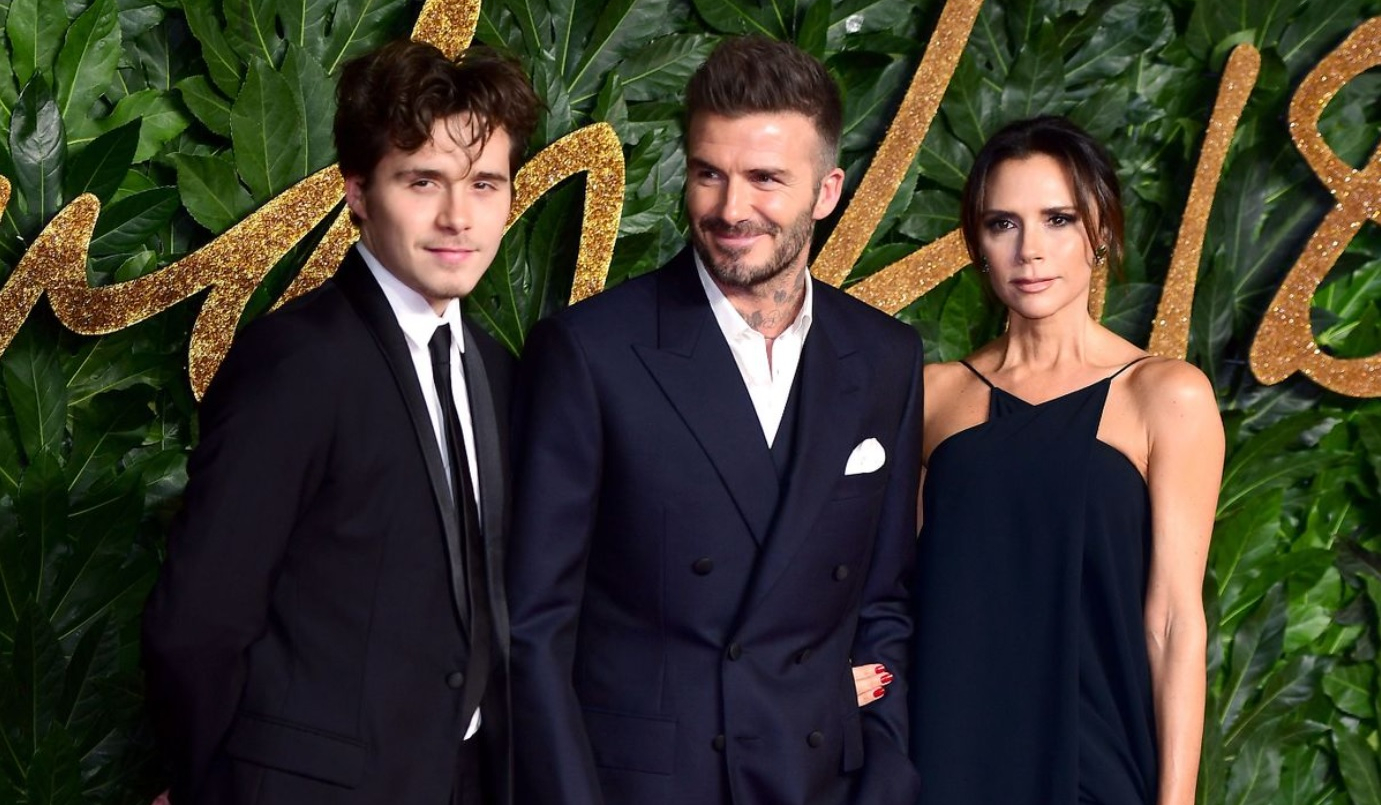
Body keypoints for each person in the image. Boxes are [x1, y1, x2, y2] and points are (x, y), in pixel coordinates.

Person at [507, 35, 924, 805]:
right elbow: (534, 625)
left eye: (765, 178)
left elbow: (881, 601)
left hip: (820, 780)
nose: (731, 210)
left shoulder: (884, 357)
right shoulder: (590, 351)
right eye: (708, 174)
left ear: (826, 190)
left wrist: (885, 768)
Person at [141, 40, 540, 805]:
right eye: (421, 181)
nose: (458, 217)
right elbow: (197, 622)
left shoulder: (493, 369)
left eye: (484, 184)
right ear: (357, 191)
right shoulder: (297, 362)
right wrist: (211, 786)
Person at [905, 116, 1222, 805]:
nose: (1030, 251)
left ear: (1099, 229)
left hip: (1098, 764)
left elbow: (1172, 622)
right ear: (977, 242)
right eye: (1002, 223)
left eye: (1057, 219)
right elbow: (896, 597)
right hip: (947, 756)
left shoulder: (1165, 395)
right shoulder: (932, 397)